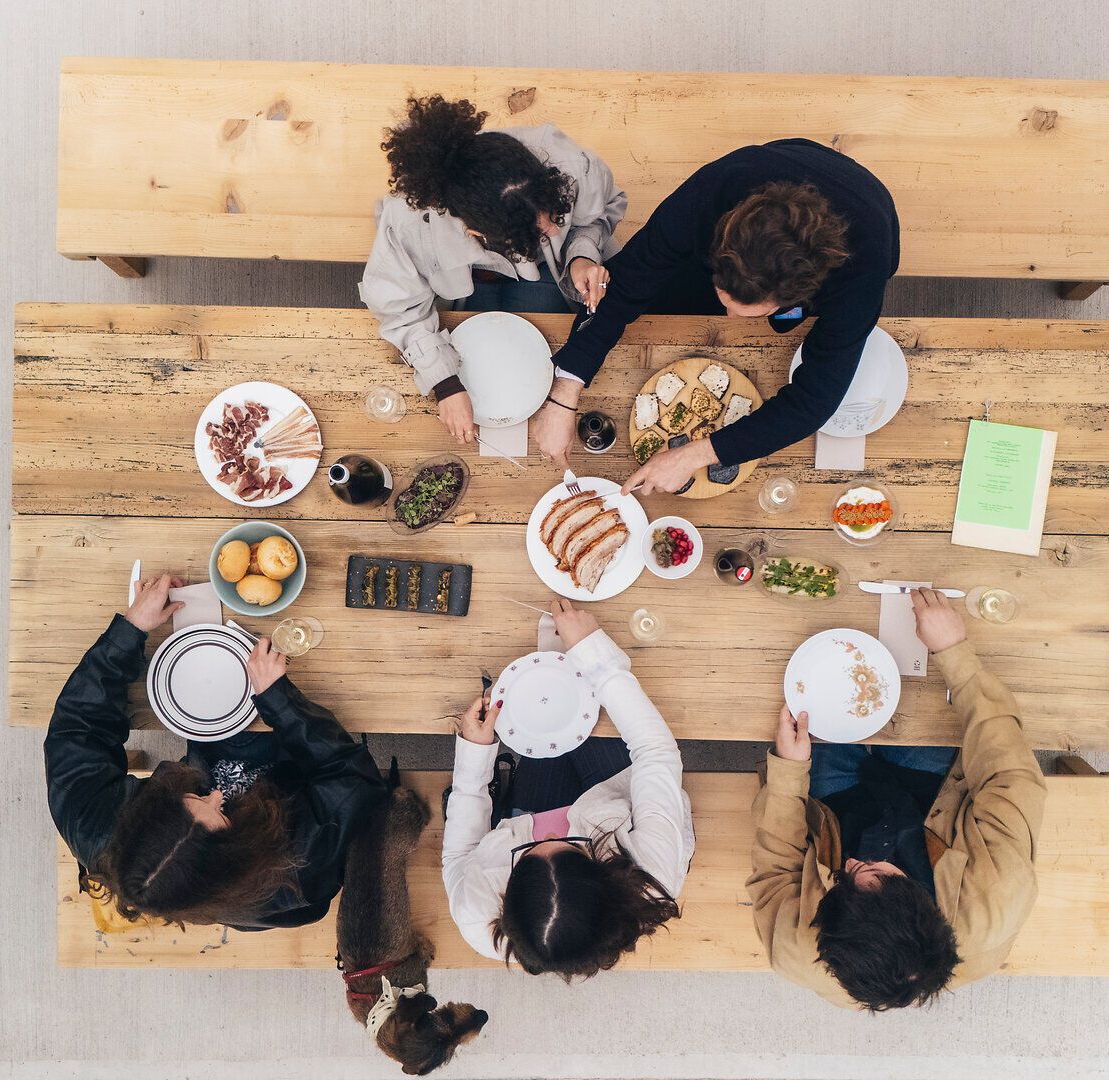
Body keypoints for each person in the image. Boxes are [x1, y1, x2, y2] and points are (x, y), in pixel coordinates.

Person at [531, 139, 899, 489]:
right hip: (779, 165)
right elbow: (628, 282)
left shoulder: (862, 274)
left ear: (793, 298)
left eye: (747, 313)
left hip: (868, 211)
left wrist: (692, 456)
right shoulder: (715, 189)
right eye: (724, 299)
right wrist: (564, 394)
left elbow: (813, 401)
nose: (728, 319)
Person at [747, 588, 1047, 1009]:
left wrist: (788, 774)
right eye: (871, 872)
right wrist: (954, 652)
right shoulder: (1000, 893)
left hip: (833, 814)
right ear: (923, 897)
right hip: (934, 799)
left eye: (840, 881)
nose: (850, 863)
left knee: (808, 699)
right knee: (921, 695)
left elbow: (775, 867)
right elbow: (1008, 771)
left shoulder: (796, 950)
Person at [45, 574, 386, 928]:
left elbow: (78, 726)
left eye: (192, 798)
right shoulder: (293, 873)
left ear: (144, 815)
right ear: (231, 854)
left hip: (214, 730)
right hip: (302, 762)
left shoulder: (96, 830)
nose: (217, 795)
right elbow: (352, 777)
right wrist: (281, 704)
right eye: (221, 816)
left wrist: (130, 630)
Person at [441, 599, 693, 979]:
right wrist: (595, 654)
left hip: (539, 807)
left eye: (531, 851)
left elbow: (460, 854)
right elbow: (655, 752)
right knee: (588, 702)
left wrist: (475, 756)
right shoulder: (651, 875)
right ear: (606, 877)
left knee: (546, 720)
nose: (555, 831)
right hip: (620, 800)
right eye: (570, 846)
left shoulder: (475, 915)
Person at [359, 94, 627, 446]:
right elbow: (399, 310)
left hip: (552, 274)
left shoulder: (566, 163)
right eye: (539, 233)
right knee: (488, 380)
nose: (554, 232)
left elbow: (601, 210)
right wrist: (445, 384)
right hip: (466, 284)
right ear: (474, 233)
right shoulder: (408, 224)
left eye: (554, 217)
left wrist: (581, 253)